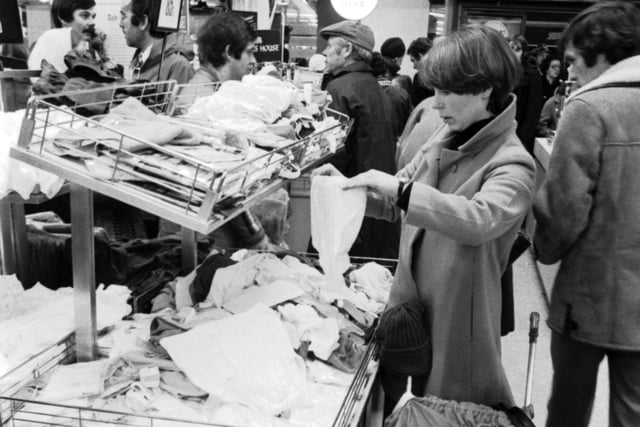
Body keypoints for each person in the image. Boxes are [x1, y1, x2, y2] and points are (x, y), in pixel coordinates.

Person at [314, 25, 536, 410]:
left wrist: (398, 191)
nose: (436, 103)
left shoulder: (512, 163)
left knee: (448, 410)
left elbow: (476, 220)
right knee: (400, 400)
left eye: (448, 92)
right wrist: (349, 187)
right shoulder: (442, 140)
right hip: (410, 302)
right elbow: (396, 202)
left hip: (458, 317)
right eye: (435, 90)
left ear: (485, 89)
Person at [533, 2, 640, 426]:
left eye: (574, 61)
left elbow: (564, 210)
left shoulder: (589, 108)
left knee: (568, 408)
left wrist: (541, 247)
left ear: (604, 50)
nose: (569, 73)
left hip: (589, 294)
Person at [318, 20, 399, 259]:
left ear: (346, 50)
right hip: (378, 201)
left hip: (350, 200)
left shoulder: (339, 89)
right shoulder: (377, 88)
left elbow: (332, 150)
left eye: (330, 46)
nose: (324, 52)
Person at [119, 0, 194, 83]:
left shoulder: (178, 66)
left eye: (124, 17)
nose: (120, 24)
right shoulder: (141, 60)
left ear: (143, 22)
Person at [28, 0, 98, 73]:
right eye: (85, 16)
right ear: (63, 17)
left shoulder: (90, 50)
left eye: (93, 17)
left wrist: (103, 54)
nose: (92, 22)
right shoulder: (44, 47)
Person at [509, 34, 544, 153]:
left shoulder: (533, 75)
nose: (513, 53)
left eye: (517, 49)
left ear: (524, 52)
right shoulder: (503, 74)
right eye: (511, 49)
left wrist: (523, 139)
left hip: (520, 135)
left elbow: (533, 111)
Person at [370, 52, 412, 142]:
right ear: (386, 71)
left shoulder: (363, 95)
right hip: (398, 147)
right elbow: (411, 124)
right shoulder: (402, 93)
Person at [406, 37, 434, 106]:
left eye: (413, 60)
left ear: (421, 57)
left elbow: (416, 106)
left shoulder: (419, 78)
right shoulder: (445, 76)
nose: (414, 66)